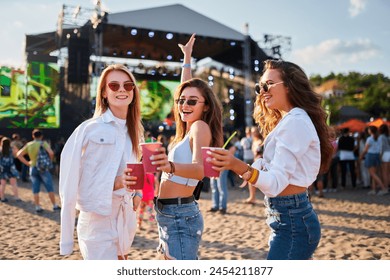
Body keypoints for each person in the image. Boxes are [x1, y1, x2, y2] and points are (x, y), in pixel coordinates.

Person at [208, 59, 333, 260]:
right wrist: (250, 167)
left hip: (293, 221)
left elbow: (275, 184)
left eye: (268, 85)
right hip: (288, 218)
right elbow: (275, 173)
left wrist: (236, 165)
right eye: (260, 87)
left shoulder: (295, 122)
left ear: (290, 86)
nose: (262, 91)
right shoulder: (290, 120)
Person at [123, 34, 223, 260]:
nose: (183, 104)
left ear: (205, 106)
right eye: (181, 101)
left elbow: (200, 171)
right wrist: (186, 58)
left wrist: (169, 165)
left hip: (181, 214)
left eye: (191, 101)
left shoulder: (199, 127)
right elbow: (185, 89)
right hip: (168, 212)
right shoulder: (186, 129)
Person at [59, 64, 144, 260]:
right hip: (97, 221)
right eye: (114, 85)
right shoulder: (89, 129)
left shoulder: (135, 132)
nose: (122, 89)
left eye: (128, 85)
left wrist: (137, 193)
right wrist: (66, 239)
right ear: (104, 93)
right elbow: (68, 181)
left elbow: (133, 169)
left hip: (125, 218)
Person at [16, 129, 60, 213]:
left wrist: (28, 163)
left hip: (33, 167)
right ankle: (54, 205)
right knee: (49, 187)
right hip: (43, 168)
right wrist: (49, 162)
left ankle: (37, 207)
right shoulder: (43, 143)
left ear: (33, 136)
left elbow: (19, 154)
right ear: (41, 136)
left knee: (35, 188)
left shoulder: (29, 144)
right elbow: (51, 153)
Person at [208, 133, 236, 214]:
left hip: (222, 166)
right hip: (212, 165)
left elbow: (233, 148)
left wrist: (225, 159)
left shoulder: (221, 136)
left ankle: (222, 207)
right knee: (214, 186)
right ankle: (215, 206)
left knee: (221, 186)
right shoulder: (209, 137)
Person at [359, 126, 387, 195]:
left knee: (373, 174)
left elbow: (365, 149)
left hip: (370, 155)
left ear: (370, 131)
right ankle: (373, 189)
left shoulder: (369, 139)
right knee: (374, 173)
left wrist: (361, 156)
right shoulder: (379, 138)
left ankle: (383, 188)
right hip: (376, 156)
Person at [0, 137, 21, 202]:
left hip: (3, 168)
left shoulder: (0, 150)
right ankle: (16, 197)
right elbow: (17, 154)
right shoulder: (12, 149)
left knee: (2, 184)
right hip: (11, 167)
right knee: (14, 184)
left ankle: (2, 198)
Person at [378, 124, 390, 191]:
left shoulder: (381, 137)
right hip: (389, 153)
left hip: (385, 154)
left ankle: (385, 187)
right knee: (388, 172)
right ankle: (388, 185)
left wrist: (380, 156)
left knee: (384, 172)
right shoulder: (388, 136)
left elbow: (381, 147)